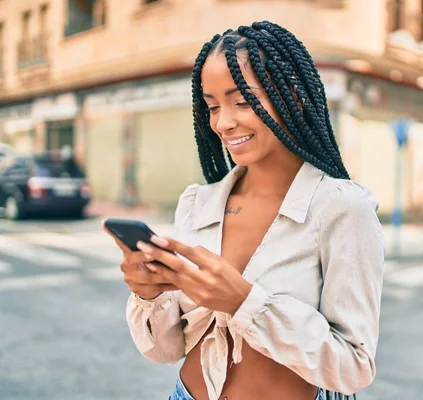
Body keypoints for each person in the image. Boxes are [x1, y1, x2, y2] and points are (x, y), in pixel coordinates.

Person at [104, 21, 385, 400]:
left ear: (294, 96)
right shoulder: (197, 205)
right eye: (213, 106)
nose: (223, 122)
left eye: (242, 101)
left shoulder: (341, 208)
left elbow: (354, 367)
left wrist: (244, 303)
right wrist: (149, 295)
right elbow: (166, 351)